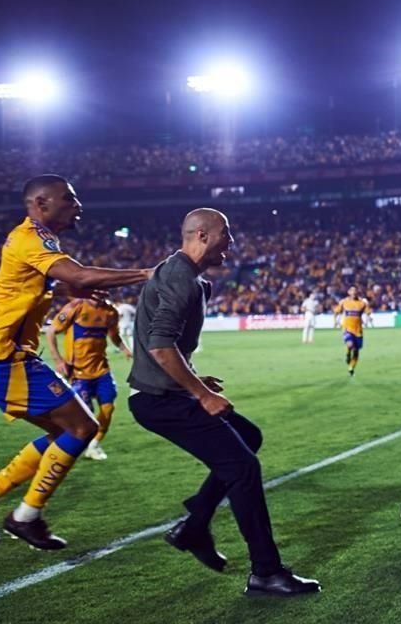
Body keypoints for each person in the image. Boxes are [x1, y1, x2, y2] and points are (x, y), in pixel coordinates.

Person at [128, 208, 320, 597]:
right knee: (243, 466)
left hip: (165, 392)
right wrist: (202, 394)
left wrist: (195, 379)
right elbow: (160, 346)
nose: (231, 242)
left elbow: (166, 345)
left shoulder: (188, 277)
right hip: (157, 400)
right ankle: (265, 571)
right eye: (225, 234)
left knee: (248, 437)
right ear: (201, 235)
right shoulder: (181, 278)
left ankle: (195, 525)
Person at [0, 175, 151, 550]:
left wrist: (63, 287)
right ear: (41, 203)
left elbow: (35, 284)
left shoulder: (31, 238)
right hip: (5, 359)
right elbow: (78, 273)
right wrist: (146, 274)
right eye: (69, 198)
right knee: (82, 428)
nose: (77, 205)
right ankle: (26, 516)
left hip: (3, 357)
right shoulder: (33, 238)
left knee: (66, 433)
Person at [46, 297, 132, 461]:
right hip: (78, 373)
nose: (101, 291)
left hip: (102, 371)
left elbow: (114, 336)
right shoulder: (75, 307)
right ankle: (59, 443)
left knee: (108, 409)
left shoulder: (110, 311)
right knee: (85, 417)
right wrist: (58, 360)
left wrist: (124, 349)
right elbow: (51, 332)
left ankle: (94, 445)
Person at [333, 286, 372, 376]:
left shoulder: (362, 303)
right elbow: (336, 312)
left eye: (355, 290)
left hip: (358, 330)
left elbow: (368, 313)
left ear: (357, 292)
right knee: (350, 344)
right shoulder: (344, 302)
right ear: (348, 292)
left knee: (356, 351)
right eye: (352, 290)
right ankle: (347, 354)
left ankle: (351, 368)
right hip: (347, 328)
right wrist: (335, 321)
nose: (353, 292)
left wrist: (368, 319)